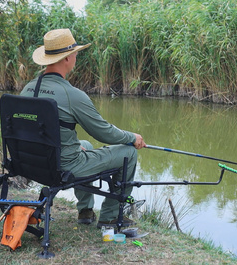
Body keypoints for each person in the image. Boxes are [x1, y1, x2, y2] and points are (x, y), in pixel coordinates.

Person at [20, 28, 146, 228]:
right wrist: (132, 137)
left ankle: (85, 211)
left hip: (32, 163)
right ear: (68, 59)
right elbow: (103, 132)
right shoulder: (72, 95)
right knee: (129, 153)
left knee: (85, 143)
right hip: (63, 166)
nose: (77, 56)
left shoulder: (27, 89)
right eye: (75, 53)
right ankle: (110, 216)